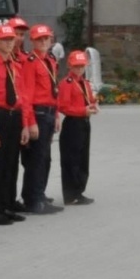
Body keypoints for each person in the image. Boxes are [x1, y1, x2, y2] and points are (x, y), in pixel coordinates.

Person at [0, 24, 34, 226]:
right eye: (4, 40)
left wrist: (25, 124)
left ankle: (7, 204)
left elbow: (23, 97)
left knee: (11, 164)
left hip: (15, 116)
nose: (8, 43)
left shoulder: (15, 65)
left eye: (11, 39)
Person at [21, 24, 62, 214]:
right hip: (37, 113)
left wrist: (57, 114)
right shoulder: (31, 62)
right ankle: (33, 198)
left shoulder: (50, 60)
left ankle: (40, 194)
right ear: (33, 41)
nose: (43, 42)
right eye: (39, 39)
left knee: (45, 157)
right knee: (36, 158)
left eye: (46, 39)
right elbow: (26, 94)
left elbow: (54, 90)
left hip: (49, 111)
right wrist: (30, 122)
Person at [57, 49, 98, 206]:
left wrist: (94, 104)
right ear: (69, 66)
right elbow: (63, 107)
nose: (79, 69)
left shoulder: (84, 83)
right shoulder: (66, 84)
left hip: (84, 122)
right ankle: (71, 193)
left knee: (82, 158)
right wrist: (83, 110)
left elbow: (89, 99)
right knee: (71, 159)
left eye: (82, 66)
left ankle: (79, 190)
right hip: (73, 123)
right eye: (76, 66)